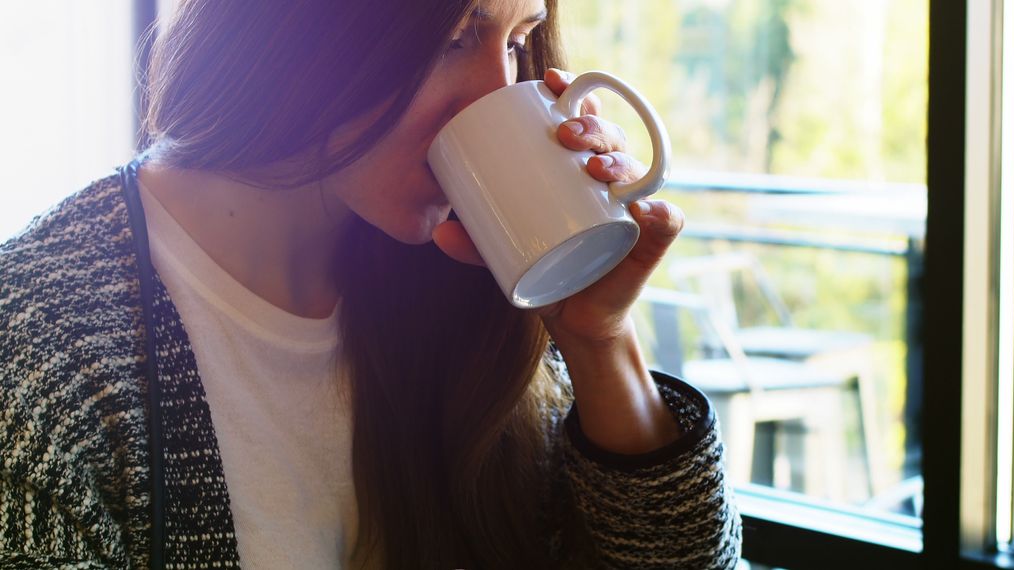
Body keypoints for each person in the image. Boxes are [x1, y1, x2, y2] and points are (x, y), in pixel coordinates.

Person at [0, 0, 741, 568]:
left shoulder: (458, 285)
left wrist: (598, 340)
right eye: (453, 37)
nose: (496, 93)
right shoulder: (38, 349)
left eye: (516, 42)